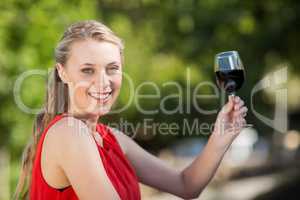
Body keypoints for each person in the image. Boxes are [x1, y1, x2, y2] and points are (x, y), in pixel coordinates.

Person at [14, 20, 248, 200]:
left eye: (112, 69)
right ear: (62, 72)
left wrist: (221, 136)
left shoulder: (111, 138)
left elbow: (186, 184)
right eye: (88, 70)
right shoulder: (68, 132)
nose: (103, 82)